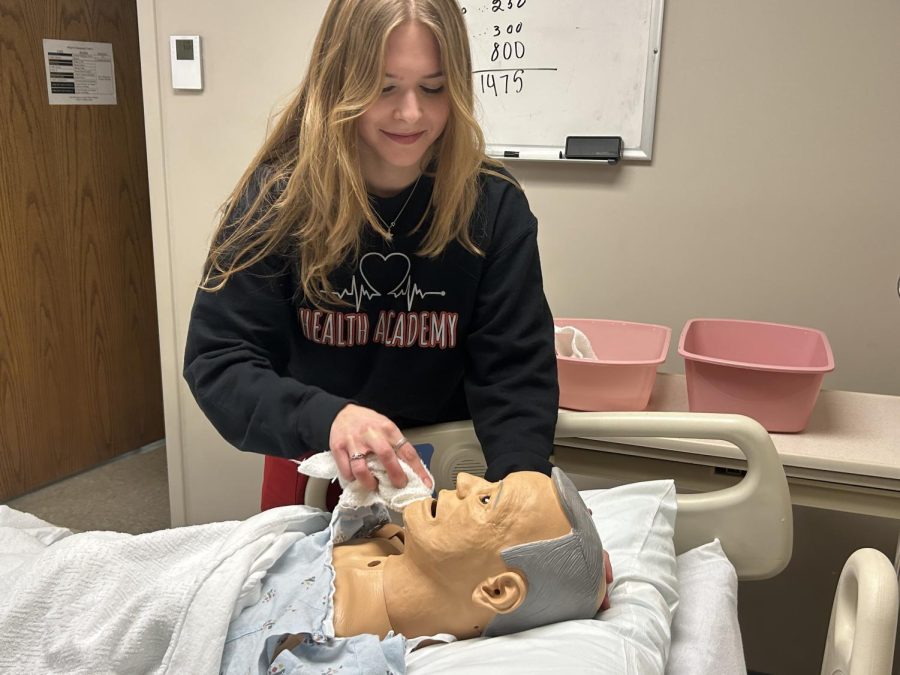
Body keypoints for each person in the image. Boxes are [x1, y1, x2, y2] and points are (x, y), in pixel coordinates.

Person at [182, 0, 559, 509]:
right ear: (339, 82)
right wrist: (329, 417)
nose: (411, 112)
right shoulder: (278, 200)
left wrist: (526, 499)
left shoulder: (492, 205)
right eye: (383, 87)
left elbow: (514, 375)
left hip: (443, 473)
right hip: (319, 465)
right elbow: (219, 362)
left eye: (433, 87)